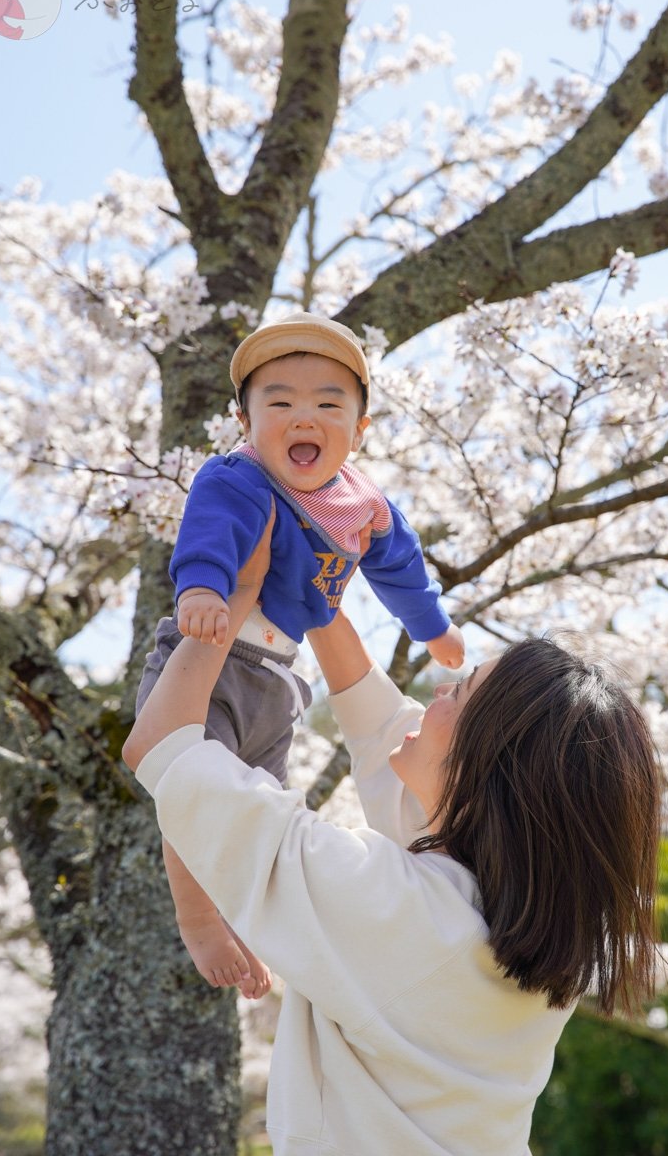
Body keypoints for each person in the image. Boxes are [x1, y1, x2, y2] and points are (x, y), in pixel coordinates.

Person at [123, 510, 661, 1156]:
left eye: (456, 697)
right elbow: (382, 724)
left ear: (485, 773)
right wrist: (317, 590)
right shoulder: (495, 911)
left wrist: (240, 590)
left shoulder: (391, 908)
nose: (432, 696)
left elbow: (163, 747)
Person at [136, 311, 464, 998]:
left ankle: (245, 912)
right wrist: (201, 590)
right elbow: (210, 532)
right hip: (213, 658)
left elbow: (399, 568)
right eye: (279, 402)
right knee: (192, 785)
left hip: (279, 679)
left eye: (327, 404)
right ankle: (198, 919)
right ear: (244, 421)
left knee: (261, 802)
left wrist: (432, 628)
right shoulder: (241, 478)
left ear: (359, 430)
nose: (302, 417)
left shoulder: (364, 503)